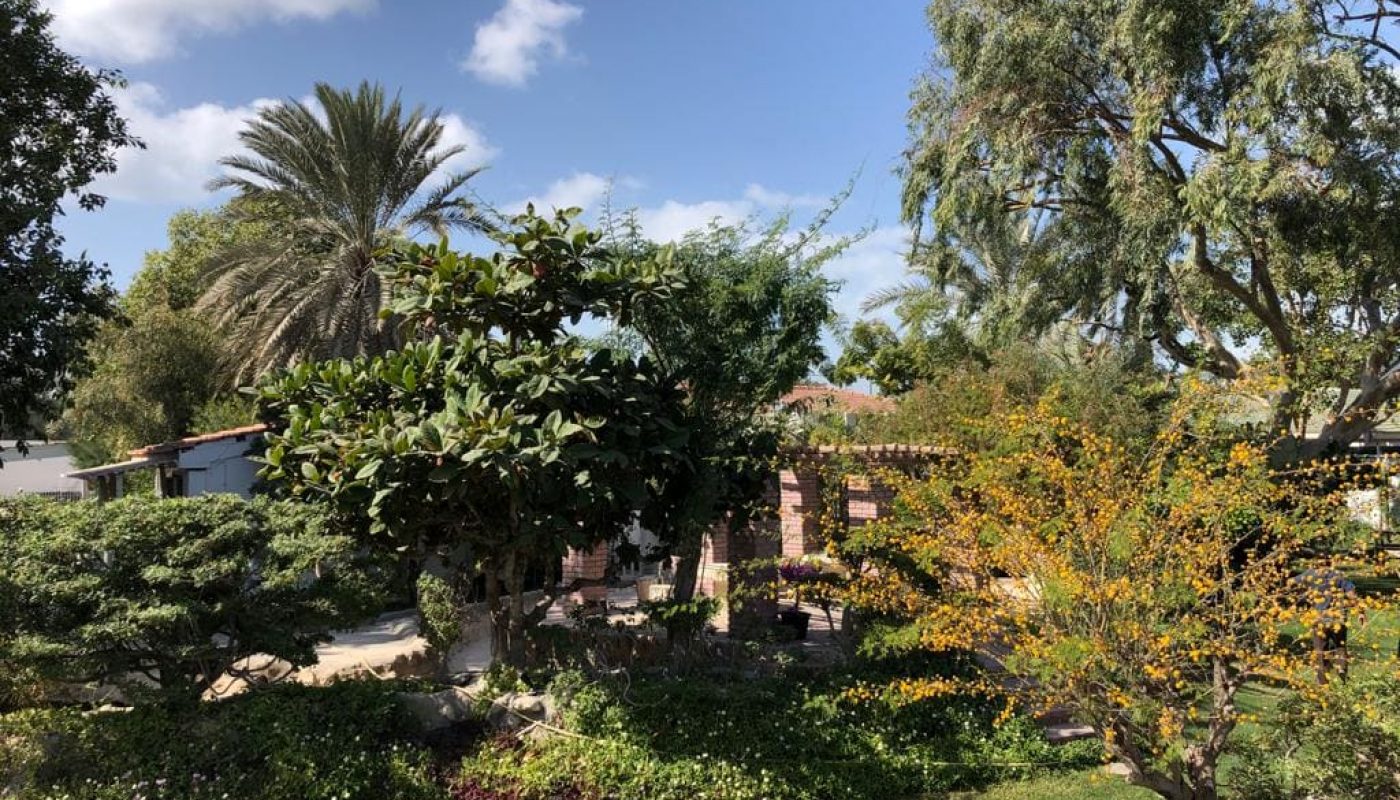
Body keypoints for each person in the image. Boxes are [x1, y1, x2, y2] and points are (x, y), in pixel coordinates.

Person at [1294, 567, 1356, 684]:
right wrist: (1361, 611)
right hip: (1338, 618)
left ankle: (1323, 683)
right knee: (1340, 647)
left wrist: (1301, 600)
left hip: (1319, 618)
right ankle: (1342, 674)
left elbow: (1292, 585)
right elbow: (1351, 592)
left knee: (1320, 651)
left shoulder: (1309, 573)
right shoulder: (1337, 574)